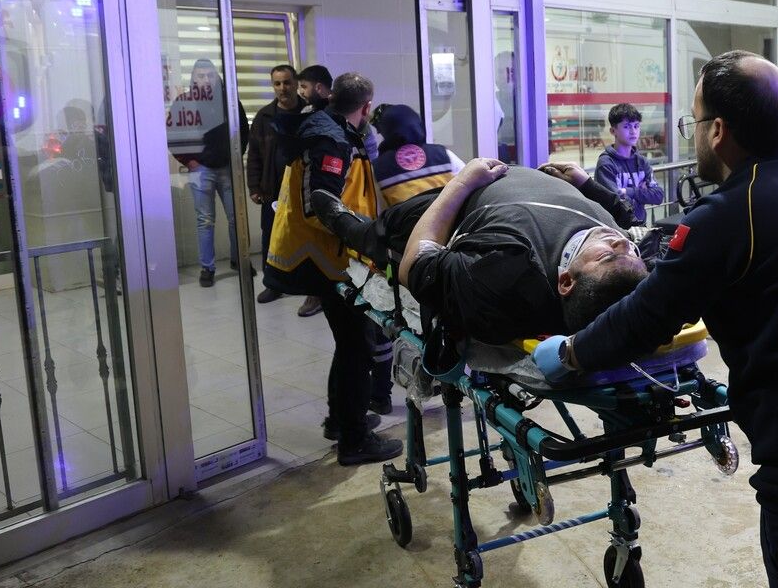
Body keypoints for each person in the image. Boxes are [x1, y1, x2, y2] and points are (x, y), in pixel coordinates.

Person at [530, 51, 778, 588]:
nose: (694, 135)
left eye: (695, 121)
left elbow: (645, 318)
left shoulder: (731, 213)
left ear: (718, 130)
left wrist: (569, 353)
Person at [313, 160, 640, 347]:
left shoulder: (511, 275)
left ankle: (347, 226)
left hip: (463, 201)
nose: (622, 244)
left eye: (608, 255)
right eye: (632, 253)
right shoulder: (631, 269)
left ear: (566, 281)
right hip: (508, 179)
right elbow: (632, 221)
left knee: (388, 228)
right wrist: (586, 184)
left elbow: (417, 265)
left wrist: (461, 184)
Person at [263, 71, 402, 465]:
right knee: (358, 347)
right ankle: (354, 440)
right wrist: (367, 237)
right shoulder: (331, 139)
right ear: (366, 106)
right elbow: (321, 203)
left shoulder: (329, 127)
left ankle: (341, 421)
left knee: (349, 344)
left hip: (327, 256)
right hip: (328, 259)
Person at [169, 59, 249, 288]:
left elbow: (244, 130)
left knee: (236, 218)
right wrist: (189, 161)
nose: (205, 80)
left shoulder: (229, 101)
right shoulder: (184, 102)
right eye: (201, 75)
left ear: (217, 78)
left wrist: (236, 158)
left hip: (227, 167)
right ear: (194, 78)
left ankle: (238, 260)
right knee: (205, 221)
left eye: (210, 75)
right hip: (201, 169)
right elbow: (172, 135)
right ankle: (207, 268)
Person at [246, 64, 304, 303]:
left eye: (287, 82)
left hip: (303, 190)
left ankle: (308, 286)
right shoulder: (264, 117)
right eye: (277, 83)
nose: (282, 88)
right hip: (273, 190)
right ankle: (272, 284)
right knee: (271, 237)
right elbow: (254, 154)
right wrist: (254, 187)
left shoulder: (308, 112)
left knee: (305, 236)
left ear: (296, 83)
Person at [371, 103, 464, 207]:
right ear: (419, 124)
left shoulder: (377, 168)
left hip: (407, 218)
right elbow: (470, 181)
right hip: (449, 215)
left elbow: (378, 209)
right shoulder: (443, 154)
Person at [594, 103, 664, 226]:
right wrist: (643, 193)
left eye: (636, 126)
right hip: (616, 229)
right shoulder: (606, 164)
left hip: (640, 226)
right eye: (626, 127)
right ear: (613, 131)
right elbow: (615, 204)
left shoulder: (642, 162)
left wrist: (629, 192)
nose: (633, 131)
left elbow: (658, 196)